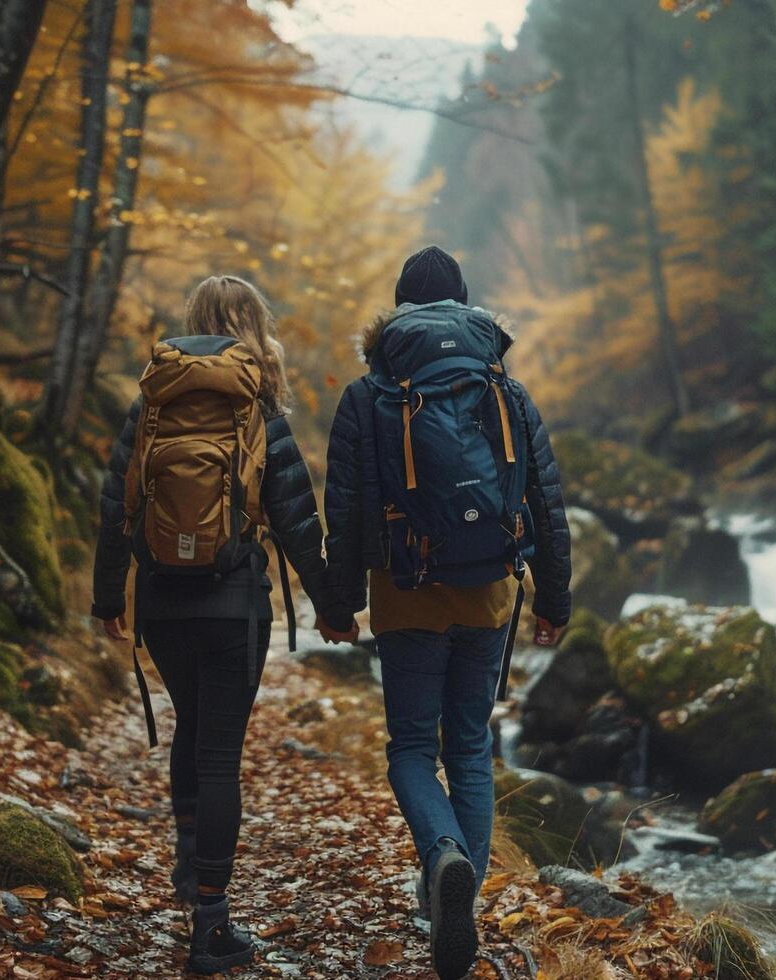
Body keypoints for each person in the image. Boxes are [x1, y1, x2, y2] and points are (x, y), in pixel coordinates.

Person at [319, 246, 572, 980]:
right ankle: (463, 904)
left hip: (404, 592)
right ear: (465, 305)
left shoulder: (367, 396)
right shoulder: (503, 387)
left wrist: (338, 604)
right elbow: (545, 503)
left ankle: (442, 861)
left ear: (397, 310)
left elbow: (344, 507)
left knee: (408, 749)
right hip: (489, 589)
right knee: (468, 748)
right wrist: (553, 601)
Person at [92, 275, 342, 975]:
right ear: (253, 329)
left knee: (190, 727)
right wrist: (330, 605)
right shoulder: (258, 409)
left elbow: (117, 503)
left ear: (192, 322)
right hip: (234, 604)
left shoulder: (150, 404)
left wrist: (107, 597)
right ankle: (209, 922)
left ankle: (184, 864)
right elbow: (296, 518)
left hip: (163, 605)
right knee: (218, 755)